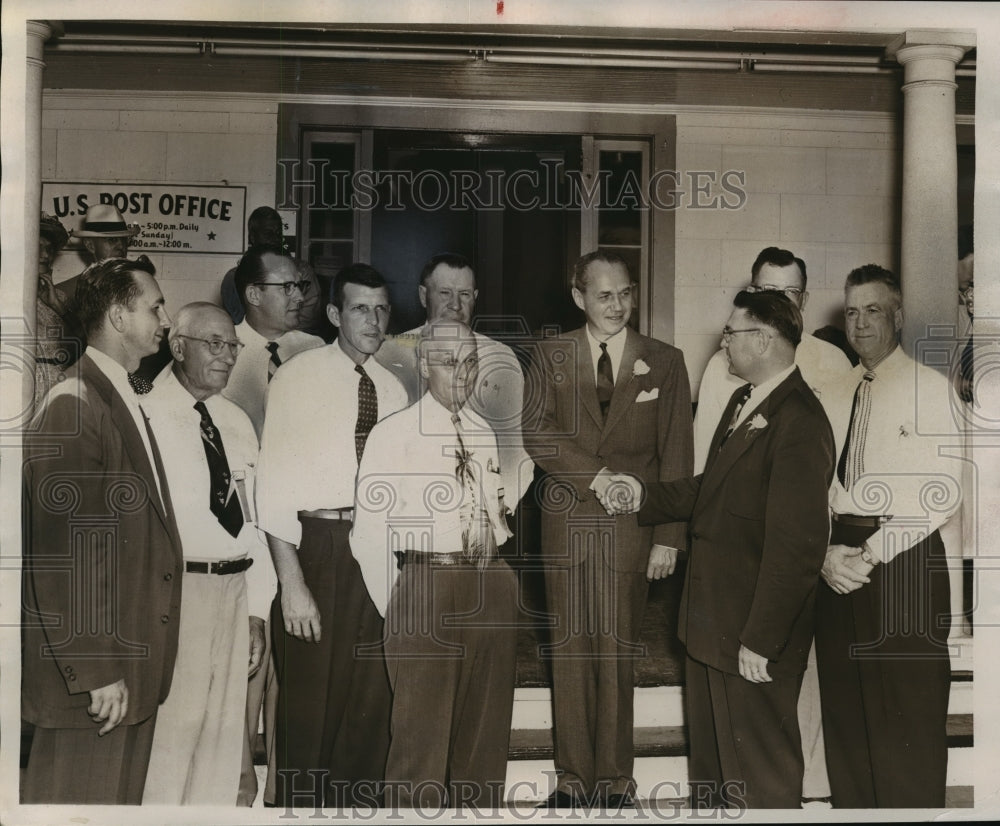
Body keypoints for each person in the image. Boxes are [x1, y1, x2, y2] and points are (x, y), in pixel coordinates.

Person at [605, 290, 836, 808]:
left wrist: (762, 639)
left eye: (733, 332)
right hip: (713, 624)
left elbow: (797, 548)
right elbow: (713, 488)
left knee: (761, 782)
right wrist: (643, 494)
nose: (724, 341)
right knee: (713, 779)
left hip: (751, 637)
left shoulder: (800, 421)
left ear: (765, 339)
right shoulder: (744, 400)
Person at [522, 250, 693, 810]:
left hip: (631, 530)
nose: (617, 305)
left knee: (618, 651)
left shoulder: (664, 361)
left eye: (625, 293)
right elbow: (537, 435)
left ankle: (617, 781)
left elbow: (676, 455)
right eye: (603, 295)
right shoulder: (549, 356)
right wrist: (597, 476)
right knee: (569, 652)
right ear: (579, 298)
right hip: (567, 524)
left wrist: (668, 536)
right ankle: (572, 779)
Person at [21, 255, 181, 804]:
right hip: (93, 689)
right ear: (117, 316)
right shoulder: (74, 403)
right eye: (155, 305)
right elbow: (64, 557)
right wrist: (94, 670)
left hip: (123, 676)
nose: (166, 318)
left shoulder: (116, 395)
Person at [256, 263, 408, 808]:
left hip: (376, 549)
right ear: (334, 314)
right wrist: (292, 584)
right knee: (309, 709)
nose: (374, 319)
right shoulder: (298, 376)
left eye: (382, 308)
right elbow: (271, 486)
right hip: (316, 548)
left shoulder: (392, 389)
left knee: (369, 705)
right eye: (361, 308)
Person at [353, 321, 519, 809]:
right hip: (426, 584)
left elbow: (495, 512)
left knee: (484, 740)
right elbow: (368, 536)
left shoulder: (485, 432)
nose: (462, 374)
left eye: (470, 362)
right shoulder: (393, 433)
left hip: (489, 583)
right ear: (425, 364)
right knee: (418, 746)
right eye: (449, 362)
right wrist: (404, 610)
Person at [815, 265, 962, 808]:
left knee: (908, 722)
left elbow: (942, 493)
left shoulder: (931, 389)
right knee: (848, 723)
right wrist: (826, 554)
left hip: (903, 565)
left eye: (872, 310)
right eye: (851, 312)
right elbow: (820, 481)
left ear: (897, 315)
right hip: (836, 563)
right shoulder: (832, 391)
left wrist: (870, 553)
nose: (860, 323)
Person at [140, 303, 271, 804]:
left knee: (221, 746)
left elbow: (253, 523)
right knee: (171, 746)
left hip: (236, 593)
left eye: (232, 346)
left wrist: (257, 610)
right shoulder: (146, 412)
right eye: (214, 344)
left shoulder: (235, 420)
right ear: (178, 346)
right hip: (179, 594)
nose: (227, 356)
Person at [376, 252, 533, 509]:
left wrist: (499, 509)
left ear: (476, 298)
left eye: (465, 294)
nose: (455, 305)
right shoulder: (389, 352)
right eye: (445, 293)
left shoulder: (500, 358)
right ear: (422, 295)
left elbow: (516, 446)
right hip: (406, 511)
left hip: (482, 512)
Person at [694, 246, 851, 473]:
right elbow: (703, 454)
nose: (779, 302)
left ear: (804, 300)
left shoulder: (833, 361)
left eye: (790, 291)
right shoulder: (721, 364)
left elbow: (841, 449)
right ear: (751, 294)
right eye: (769, 290)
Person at [224, 244, 324, 438]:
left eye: (300, 286)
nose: (300, 297)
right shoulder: (218, 351)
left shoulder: (315, 348)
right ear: (254, 295)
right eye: (287, 287)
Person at [34, 213, 80, 409]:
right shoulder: (7, 295)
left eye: (49, 249)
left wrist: (56, 305)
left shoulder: (61, 297)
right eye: (39, 248)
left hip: (60, 386)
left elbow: (83, 342)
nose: (46, 255)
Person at [56, 203, 140, 303]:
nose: (121, 246)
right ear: (90, 245)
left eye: (124, 240)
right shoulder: (65, 294)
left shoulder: (141, 286)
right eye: (112, 240)